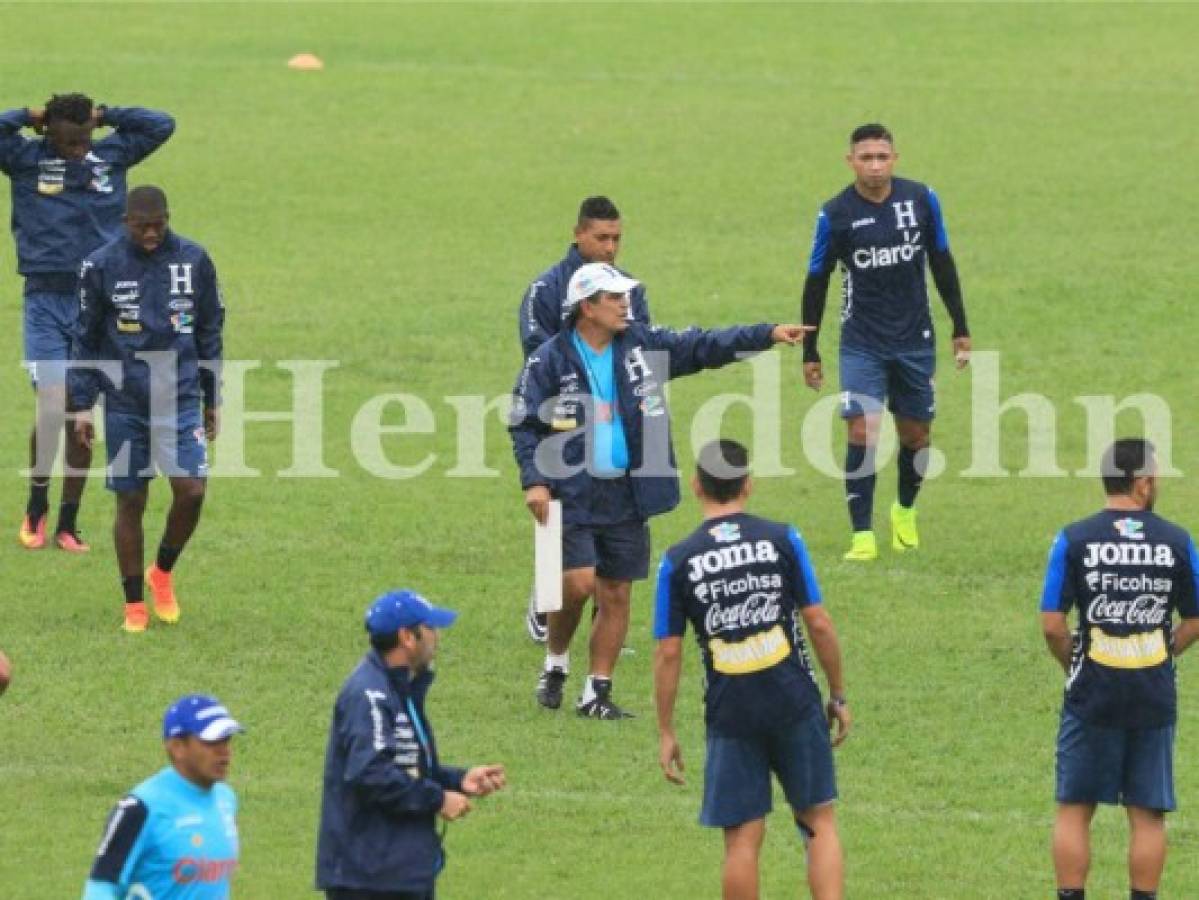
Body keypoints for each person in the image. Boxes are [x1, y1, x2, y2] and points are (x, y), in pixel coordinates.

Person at [510, 261, 808, 719]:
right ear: (587, 307)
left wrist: (766, 334)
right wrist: (534, 481)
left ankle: (597, 692)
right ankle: (556, 662)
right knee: (578, 583)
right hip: (569, 491)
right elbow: (524, 424)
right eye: (614, 298)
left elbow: (703, 345)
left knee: (617, 593)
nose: (626, 304)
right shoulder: (548, 360)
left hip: (629, 492)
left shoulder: (641, 346)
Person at [653, 439, 849, 900]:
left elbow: (668, 652)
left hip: (731, 709)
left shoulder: (677, 560)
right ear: (748, 485)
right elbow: (817, 622)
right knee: (817, 820)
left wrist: (665, 729)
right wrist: (837, 693)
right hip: (793, 699)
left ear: (696, 486)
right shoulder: (783, 538)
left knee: (742, 838)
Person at [0, 94, 174, 552]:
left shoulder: (110, 154)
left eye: (85, 139)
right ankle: (36, 507)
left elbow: (161, 123)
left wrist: (108, 114)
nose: (79, 149)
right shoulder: (24, 157)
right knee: (54, 403)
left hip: (97, 305)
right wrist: (25, 115)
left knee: (81, 417)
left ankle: (67, 523)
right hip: (45, 300)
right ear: (48, 132)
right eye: (69, 140)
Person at [800, 123, 971, 561]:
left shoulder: (921, 200)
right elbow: (816, 280)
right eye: (865, 157)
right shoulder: (834, 214)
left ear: (895, 158)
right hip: (862, 341)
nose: (874, 165)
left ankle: (905, 510)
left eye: (882, 156)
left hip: (916, 338)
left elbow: (942, 261)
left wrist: (960, 326)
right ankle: (862, 536)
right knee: (863, 428)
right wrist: (810, 349)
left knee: (916, 437)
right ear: (850, 161)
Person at [1040, 438, 1199, 900]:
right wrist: (1165, 649)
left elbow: (1052, 625)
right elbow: (1195, 618)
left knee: (1074, 808)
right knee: (1148, 813)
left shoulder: (1074, 538)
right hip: (1152, 689)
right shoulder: (1177, 541)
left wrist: (1075, 660)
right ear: (1143, 483)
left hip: (1093, 688)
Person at [68, 185, 224, 633]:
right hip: (124, 402)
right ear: (125, 223)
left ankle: (163, 572)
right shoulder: (100, 266)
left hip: (179, 397)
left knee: (192, 491)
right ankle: (134, 602)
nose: (153, 233)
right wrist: (82, 405)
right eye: (143, 226)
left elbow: (211, 327)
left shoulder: (194, 260)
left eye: (159, 224)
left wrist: (212, 395)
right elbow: (85, 337)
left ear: (168, 217)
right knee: (131, 499)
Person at [518, 195, 652, 642]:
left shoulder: (629, 287)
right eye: (601, 238)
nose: (610, 247)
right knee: (553, 511)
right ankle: (545, 596)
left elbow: (641, 347)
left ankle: (600, 625)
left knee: (608, 534)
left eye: (616, 238)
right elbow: (537, 359)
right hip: (562, 423)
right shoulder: (545, 290)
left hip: (612, 419)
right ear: (578, 235)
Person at [316, 590, 506, 900]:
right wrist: (438, 799)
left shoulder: (396, 689)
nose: (437, 637)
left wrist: (458, 780)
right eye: (430, 628)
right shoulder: (370, 695)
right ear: (408, 637)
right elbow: (372, 773)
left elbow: (404, 767)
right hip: (370, 879)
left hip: (394, 872)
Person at [81, 694, 243, 899]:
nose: (225, 752)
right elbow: (100, 887)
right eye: (211, 742)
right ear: (177, 748)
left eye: (226, 740)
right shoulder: (140, 808)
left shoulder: (226, 799)